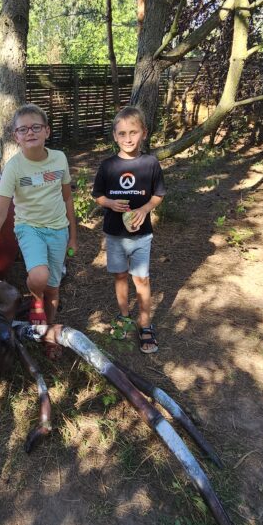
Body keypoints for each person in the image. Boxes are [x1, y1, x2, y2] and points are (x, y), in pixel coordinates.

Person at [0, 104, 77, 354]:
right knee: (39, 277)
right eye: (23, 129)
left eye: (36, 127)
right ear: (16, 136)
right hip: (29, 228)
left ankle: (49, 333)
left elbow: (67, 198)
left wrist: (73, 237)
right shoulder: (14, 167)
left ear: (47, 131)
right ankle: (35, 298)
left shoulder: (59, 159)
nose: (30, 132)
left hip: (58, 229)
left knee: (54, 287)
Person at [92, 104, 165, 353]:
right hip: (114, 235)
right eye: (122, 133)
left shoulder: (150, 163)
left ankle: (145, 322)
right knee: (120, 275)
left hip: (142, 235)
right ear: (115, 136)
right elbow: (98, 195)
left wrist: (145, 209)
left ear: (144, 132)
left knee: (141, 278)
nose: (128, 138)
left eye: (133, 132)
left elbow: (158, 194)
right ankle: (124, 315)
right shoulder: (108, 166)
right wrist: (110, 203)